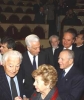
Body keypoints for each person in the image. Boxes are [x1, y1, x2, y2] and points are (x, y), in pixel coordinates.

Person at [19, 34, 49, 98]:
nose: (38, 50)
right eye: (35, 48)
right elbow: (20, 79)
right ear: (28, 48)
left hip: (43, 93)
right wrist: (23, 95)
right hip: (28, 94)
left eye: (39, 47)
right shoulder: (21, 58)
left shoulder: (44, 55)